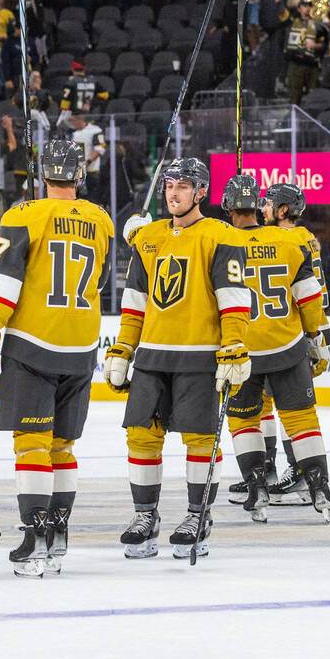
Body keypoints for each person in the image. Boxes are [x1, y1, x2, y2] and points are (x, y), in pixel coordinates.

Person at [0, 139, 114, 576]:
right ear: (79, 175)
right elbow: (101, 280)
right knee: (62, 446)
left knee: (32, 444)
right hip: (82, 345)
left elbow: (2, 284)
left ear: (43, 173)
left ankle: (34, 538)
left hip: (34, 343)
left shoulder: (22, 215)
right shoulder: (102, 220)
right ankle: (58, 532)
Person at [104, 157, 251, 559]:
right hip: (152, 356)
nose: (173, 193)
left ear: (201, 192)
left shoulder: (221, 235)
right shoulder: (148, 238)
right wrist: (124, 347)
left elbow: (234, 300)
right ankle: (145, 516)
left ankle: (197, 516)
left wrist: (233, 346)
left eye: (183, 186)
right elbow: (135, 303)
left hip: (199, 356)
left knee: (200, 440)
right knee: (141, 436)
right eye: (169, 185)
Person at [220, 176, 330, 523]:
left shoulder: (219, 241)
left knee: (244, 420)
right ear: (257, 205)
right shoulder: (290, 241)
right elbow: (310, 297)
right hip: (287, 344)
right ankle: (319, 489)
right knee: (301, 418)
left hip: (243, 348)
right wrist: (315, 337)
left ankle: (258, 487)